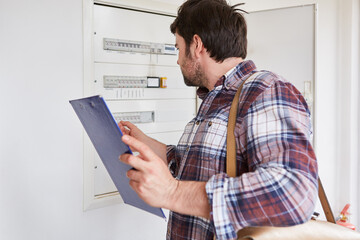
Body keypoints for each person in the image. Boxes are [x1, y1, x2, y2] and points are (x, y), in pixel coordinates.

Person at [119, 0, 318, 239]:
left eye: (178, 48)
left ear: (197, 45)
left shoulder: (266, 90)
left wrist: (173, 192)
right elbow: (195, 166)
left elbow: (292, 193)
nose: (178, 60)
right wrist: (143, 142)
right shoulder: (217, 97)